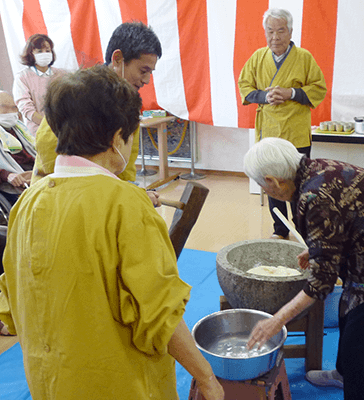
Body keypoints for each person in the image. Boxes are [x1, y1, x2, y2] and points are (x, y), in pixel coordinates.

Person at [0, 65, 224, 400]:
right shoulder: (126, 206)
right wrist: (206, 377)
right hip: (117, 383)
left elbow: (12, 302)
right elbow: (160, 314)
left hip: (49, 382)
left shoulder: (26, 204)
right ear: (117, 136)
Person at [244, 137, 364, 400]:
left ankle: (358, 385)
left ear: (273, 181)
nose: (263, 189)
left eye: (261, 184)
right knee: (348, 313)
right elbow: (338, 220)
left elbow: (321, 284)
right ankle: (342, 375)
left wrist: (276, 320)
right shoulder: (311, 169)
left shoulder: (314, 197)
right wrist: (317, 248)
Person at [30, 22, 161, 206]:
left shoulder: (127, 101)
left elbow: (125, 166)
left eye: (150, 73)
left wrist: (129, 193)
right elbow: (49, 150)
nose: (146, 80)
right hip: (59, 197)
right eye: (143, 71)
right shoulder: (79, 92)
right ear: (117, 59)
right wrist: (110, 192)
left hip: (99, 196)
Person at [238, 8, 326, 240]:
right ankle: (280, 230)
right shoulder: (258, 57)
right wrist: (265, 97)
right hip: (268, 132)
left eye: (280, 31)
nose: (274, 37)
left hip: (295, 132)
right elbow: (245, 87)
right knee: (272, 183)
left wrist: (291, 93)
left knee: (300, 183)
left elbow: (319, 89)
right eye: (270, 31)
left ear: (290, 32)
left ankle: (304, 229)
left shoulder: (304, 57)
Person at [13, 34, 67, 136]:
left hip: (65, 130)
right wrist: (48, 126)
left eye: (48, 51)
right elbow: (26, 108)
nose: (45, 54)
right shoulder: (22, 77)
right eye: (39, 51)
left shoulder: (62, 74)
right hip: (39, 132)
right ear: (31, 53)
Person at [0, 91, 35, 204]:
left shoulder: (20, 130)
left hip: (33, 176)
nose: (10, 112)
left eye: (14, 108)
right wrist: (7, 175)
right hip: (10, 185)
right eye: (4, 108)